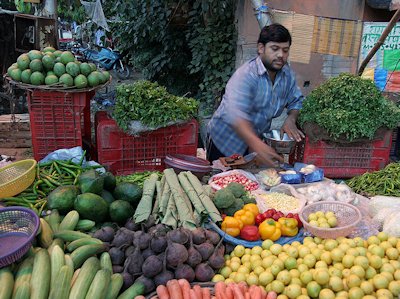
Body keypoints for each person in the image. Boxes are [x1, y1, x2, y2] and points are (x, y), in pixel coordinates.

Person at [206, 23, 305, 166]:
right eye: (275, 49)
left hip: (253, 142)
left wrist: (291, 118)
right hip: (224, 142)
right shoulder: (246, 75)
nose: (280, 55)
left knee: (250, 181)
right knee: (223, 181)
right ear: (261, 48)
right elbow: (235, 115)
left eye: (285, 50)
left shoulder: (287, 75)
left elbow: (297, 100)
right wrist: (258, 145)